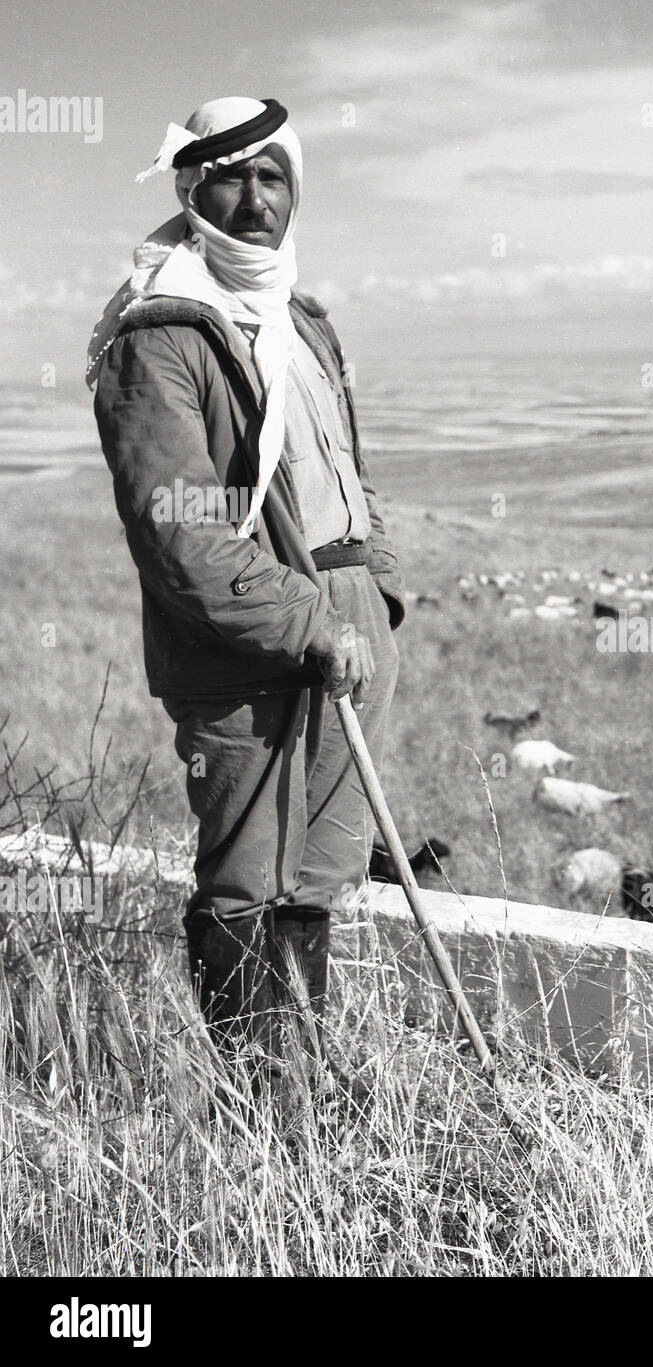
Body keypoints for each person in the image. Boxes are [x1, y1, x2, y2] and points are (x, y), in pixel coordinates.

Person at [87, 97, 404, 1096]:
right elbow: (179, 533)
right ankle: (265, 1109)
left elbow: (342, 472)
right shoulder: (162, 337)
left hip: (344, 623)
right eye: (230, 176)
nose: (255, 198)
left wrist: (373, 597)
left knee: (321, 875)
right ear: (191, 188)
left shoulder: (304, 319)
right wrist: (306, 620)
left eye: (274, 176)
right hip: (249, 642)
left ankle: (307, 1080)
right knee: (246, 881)